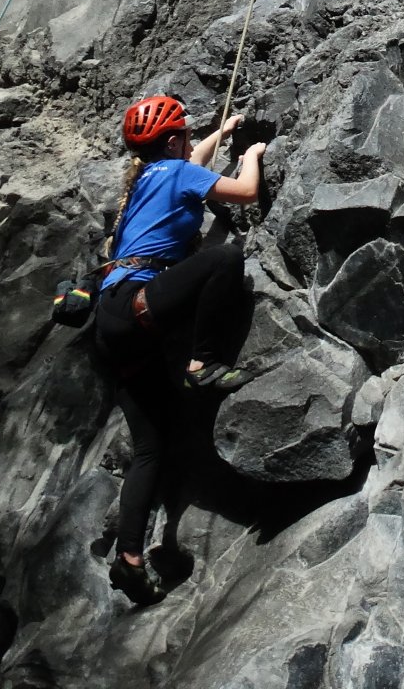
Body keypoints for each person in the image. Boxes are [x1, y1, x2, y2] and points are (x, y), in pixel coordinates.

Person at [94, 93, 267, 605]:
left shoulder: (147, 181)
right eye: (187, 135)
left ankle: (129, 559)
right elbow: (246, 193)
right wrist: (252, 152)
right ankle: (201, 362)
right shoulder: (176, 173)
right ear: (172, 141)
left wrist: (223, 128)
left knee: (151, 446)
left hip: (109, 324)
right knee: (223, 259)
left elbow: (190, 163)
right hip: (137, 305)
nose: (192, 142)